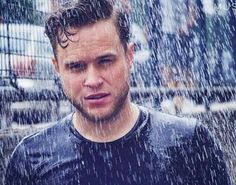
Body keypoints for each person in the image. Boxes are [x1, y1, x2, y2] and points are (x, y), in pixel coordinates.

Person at [5, 0, 231, 184]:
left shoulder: (189, 142)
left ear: (129, 56)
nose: (93, 81)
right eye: (76, 66)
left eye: (105, 61)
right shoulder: (31, 159)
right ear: (57, 68)